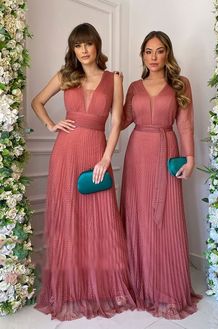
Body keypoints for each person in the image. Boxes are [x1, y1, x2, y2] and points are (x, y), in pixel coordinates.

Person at [31, 23, 135, 321]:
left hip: (95, 152)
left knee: (100, 219)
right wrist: (52, 125)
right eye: (78, 45)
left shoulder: (113, 78)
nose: (84, 50)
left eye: (89, 44)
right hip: (65, 153)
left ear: (97, 46)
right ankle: (71, 286)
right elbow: (37, 101)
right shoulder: (66, 76)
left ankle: (99, 286)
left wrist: (105, 159)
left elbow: (116, 123)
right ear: (73, 49)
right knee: (68, 219)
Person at [120, 31, 202, 319]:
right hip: (137, 153)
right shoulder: (133, 86)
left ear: (168, 53)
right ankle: (137, 282)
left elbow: (186, 124)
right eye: (148, 51)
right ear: (142, 55)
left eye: (159, 51)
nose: (153, 57)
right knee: (138, 214)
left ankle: (165, 287)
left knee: (164, 217)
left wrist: (190, 158)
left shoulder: (181, 84)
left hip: (167, 149)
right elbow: (122, 120)